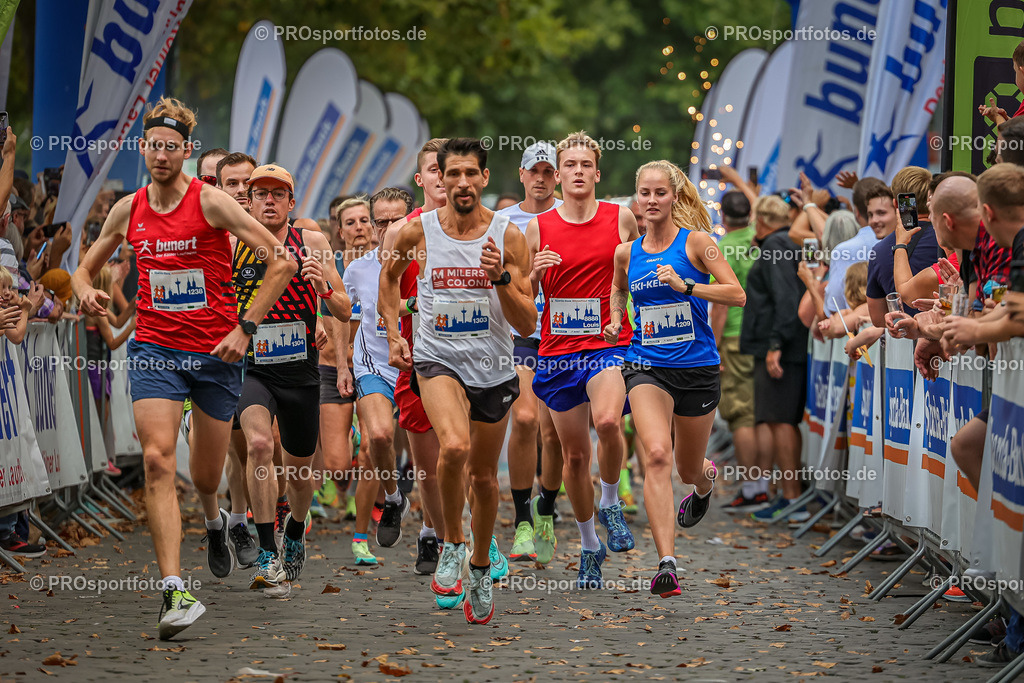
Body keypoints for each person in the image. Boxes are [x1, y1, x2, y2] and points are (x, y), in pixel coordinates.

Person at [70, 98, 297, 639]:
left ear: (186, 152)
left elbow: (281, 259)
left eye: (172, 147)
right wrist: (83, 291)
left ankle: (215, 522)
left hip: (215, 356)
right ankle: (174, 589)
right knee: (156, 460)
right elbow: (84, 267)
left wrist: (245, 327)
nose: (162, 155)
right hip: (155, 351)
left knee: (206, 475)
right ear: (143, 147)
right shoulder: (128, 209)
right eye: (154, 145)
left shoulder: (211, 202)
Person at [379, 137, 536, 624]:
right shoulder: (417, 231)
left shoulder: (509, 236)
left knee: (484, 477)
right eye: (453, 174)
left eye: (471, 173)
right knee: (453, 447)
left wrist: (500, 278)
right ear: (440, 179)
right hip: (437, 360)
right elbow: (389, 278)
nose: (462, 183)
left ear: (484, 178)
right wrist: (393, 334)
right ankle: (451, 541)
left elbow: (527, 322)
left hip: (492, 367)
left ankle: (481, 567)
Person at [604, 160, 744, 597]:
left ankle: (704, 483)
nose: (651, 200)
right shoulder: (626, 253)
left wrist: (688, 287)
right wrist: (615, 319)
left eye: (659, 193)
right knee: (657, 455)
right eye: (644, 193)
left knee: (688, 468)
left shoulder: (698, 243)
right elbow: (618, 288)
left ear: (675, 197)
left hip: (697, 368)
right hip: (646, 365)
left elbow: (736, 294)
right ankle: (667, 562)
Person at [525, 131, 640, 588]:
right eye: (569, 165)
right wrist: (532, 275)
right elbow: (522, 299)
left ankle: (610, 501)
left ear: (597, 173)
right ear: (557, 175)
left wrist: (623, 316)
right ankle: (590, 545)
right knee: (574, 455)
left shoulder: (620, 218)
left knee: (608, 421)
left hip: (608, 343)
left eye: (584, 164)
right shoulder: (538, 227)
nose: (577, 171)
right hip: (557, 351)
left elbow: (639, 275)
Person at [231, 164, 350, 593]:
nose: (269, 201)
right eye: (260, 193)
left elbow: (345, 309)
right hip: (253, 369)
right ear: (248, 201)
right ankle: (267, 552)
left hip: (300, 373)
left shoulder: (311, 242)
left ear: (291, 202)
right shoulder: (233, 244)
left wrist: (324, 290)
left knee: (300, 474)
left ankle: (295, 528)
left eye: (277, 194)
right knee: (260, 445)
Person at [379, 139, 451, 583]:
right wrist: (396, 333)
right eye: (434, 169)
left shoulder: (482, 227)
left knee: (460, 456)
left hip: (469, 361)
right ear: (420, 178)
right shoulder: (402, 231)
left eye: (450, 167)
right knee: (428, 463)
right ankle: (437, 534)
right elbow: (384, 295)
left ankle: (455, 542)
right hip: (419, 358)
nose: (443, 176)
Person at [494, 141, 563, 564]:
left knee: (553, 433)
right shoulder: (501, 223)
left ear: (558, 176)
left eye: (548, 171)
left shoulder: (571, 216)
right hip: (520, 333)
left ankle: (546, 509)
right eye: (533, 171)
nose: (540, 178)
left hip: (566, 335)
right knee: (524, 418)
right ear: (521, 174)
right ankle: (522, 521)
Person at [339, 196, 409, 566]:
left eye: (397, 220)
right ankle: (392, 498)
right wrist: (342, 364)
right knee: (377, 439)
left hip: (420, 368)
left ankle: (442, 537)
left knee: (441, 453)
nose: (388, 229)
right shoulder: (358, 269)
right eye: (380, 222)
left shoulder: (426, 262)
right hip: (374, 368)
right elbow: (342, 316)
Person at [739, 195, 810, 523]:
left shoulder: (776, 245)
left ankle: (792, 498)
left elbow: (786, 298)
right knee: (782, 420)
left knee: (780, 420)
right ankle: (790, 495)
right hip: (784, 342)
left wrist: (775, 344)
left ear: (763, 220)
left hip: (781, 346)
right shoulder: (784, 242)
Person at [710, 190, 765, 512]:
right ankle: (764, 485)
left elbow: (720, 305)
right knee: (761, 413)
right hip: (763, 336)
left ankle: (752, 488)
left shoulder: (723, 248)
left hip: (734, 336)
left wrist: (713, 345)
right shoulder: (759, 239)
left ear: (723, 216)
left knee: (741, 415)